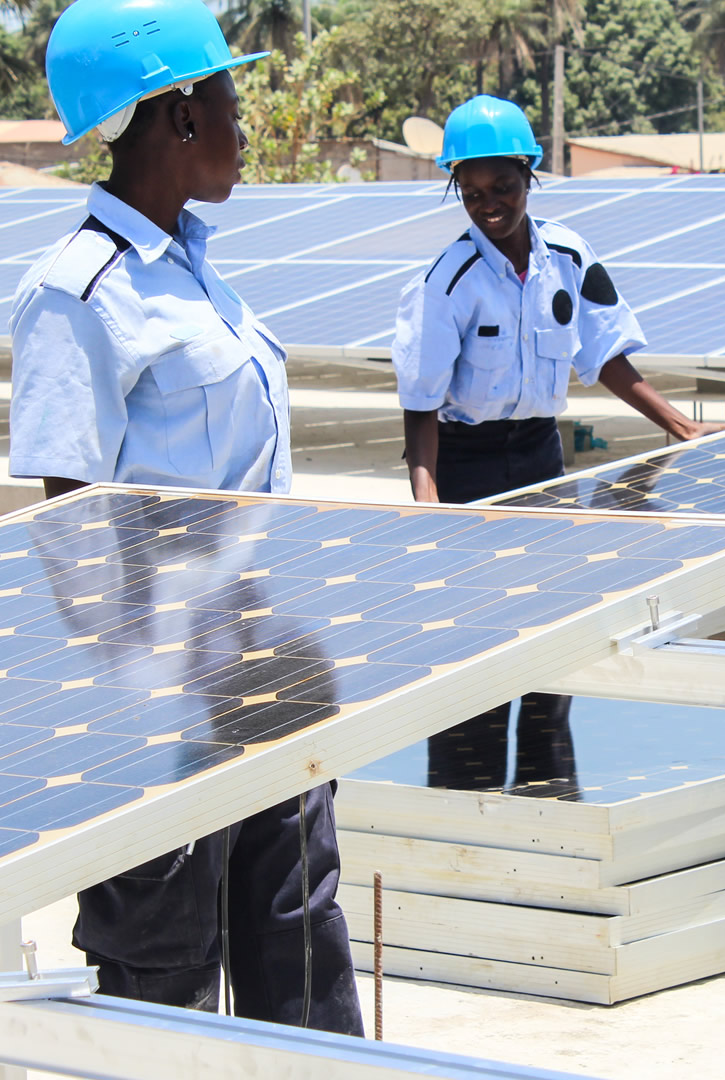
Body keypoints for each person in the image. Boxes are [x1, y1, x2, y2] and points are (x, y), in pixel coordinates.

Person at [8, 0, 363, 1034]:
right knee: (164, 962)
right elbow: (73, 526)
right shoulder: (79, 295)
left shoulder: (196, 271)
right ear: (180, 115)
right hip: (163, 689)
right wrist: (149, 695)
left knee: (298, 937)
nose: (242, 128)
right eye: (229, 104)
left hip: (268, 657)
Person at [392, 94, 725, 791]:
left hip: (542, 462)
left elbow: (603, 353)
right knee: (474, 655)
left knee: (551, 648)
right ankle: (466, 809)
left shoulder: (569, 257)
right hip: (466, 467)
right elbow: (420, 406)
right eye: (472, 192)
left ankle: (549, 803)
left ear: (530, 176)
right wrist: (428, 506)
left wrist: (681, 426)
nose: (489, 205)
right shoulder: (446, 282)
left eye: (503, 187)